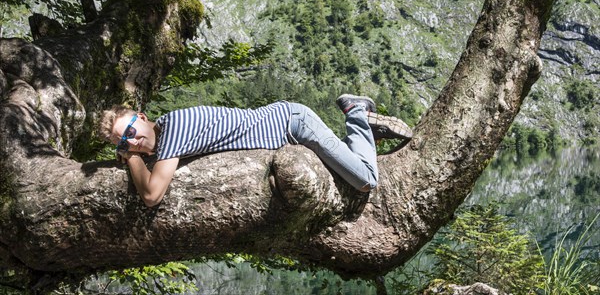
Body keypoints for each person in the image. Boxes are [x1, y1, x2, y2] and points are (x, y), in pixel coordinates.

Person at [98, 94, 412, 207]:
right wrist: (137, 154)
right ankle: (362, 137)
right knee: (343, 167)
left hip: (291, 124)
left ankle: (357, 113)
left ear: (141, 117)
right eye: (122, 141)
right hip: (287, 131)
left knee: (365, 180)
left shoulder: (174, 130)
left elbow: (152, 196)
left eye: (130, 131)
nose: (131, 140)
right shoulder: (163, 132)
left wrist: (133, 159)